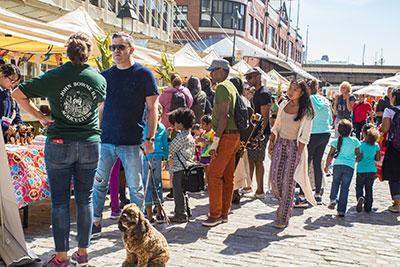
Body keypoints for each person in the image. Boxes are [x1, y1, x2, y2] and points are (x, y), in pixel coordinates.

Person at [13, 32, 106, 266]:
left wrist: (40, 117)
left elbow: (17, 94)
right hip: (89, 142)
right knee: (85, 200)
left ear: (67, 51)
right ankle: (83, 253)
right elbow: (98, 106)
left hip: (59, 143)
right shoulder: (99, 79)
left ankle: (62, 257)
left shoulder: (54, 75)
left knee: (60, 202)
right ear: (88, 53)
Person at [92, 32, 159, 238]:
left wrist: (150, 138)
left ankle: (137, 228)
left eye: (120, 47)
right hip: (106, 141)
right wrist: (96, 133)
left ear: (131, 49)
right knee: (99, 183)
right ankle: (95, 222)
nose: (115, 51)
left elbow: (153, 108)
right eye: (113, 47)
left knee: (135, 188)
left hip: (132, 141)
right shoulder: (105, 75)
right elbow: (101, 108)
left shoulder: (144, 74)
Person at [268, 80, 315, 228]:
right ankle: (284, 203)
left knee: (289, 182)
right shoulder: (283, 104)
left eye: (295, 89)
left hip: (294, 147)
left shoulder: (306, 111)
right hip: (279, 144)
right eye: (290, 88)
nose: (291, 91)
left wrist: (299, 155)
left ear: (301, 93)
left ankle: (283, 216)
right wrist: (271, 141)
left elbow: (305, 136)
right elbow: (277, 126)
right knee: (275, 180)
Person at [202, 59, 240, 227]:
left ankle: (215, 214)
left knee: (213, 174)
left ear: (223, 70)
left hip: (226, 136)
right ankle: (224, 213)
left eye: (213, 70)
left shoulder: (223, 87)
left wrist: (215, 141)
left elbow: (224, 115)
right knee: (227, 176)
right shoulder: (231, 86)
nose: (211, 74)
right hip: (234, 136)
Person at [297, 79, 332, 206]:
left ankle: (302, 196)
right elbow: (330, 119)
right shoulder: (325, 100)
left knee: (305, 163)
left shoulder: (308, 100)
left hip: (313, 133)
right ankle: (318, 195)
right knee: (317, 163)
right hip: (326, 133)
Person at [324, 119, 361, 217]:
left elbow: (330, 155)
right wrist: (355, 160)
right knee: (345, 188)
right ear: (351, 130)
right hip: (349, 167)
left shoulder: (336, 141)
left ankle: (333, 199)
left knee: (335, 183)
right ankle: (341, 210)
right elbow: (359, 155)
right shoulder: (355, 141)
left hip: (337, 166)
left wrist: (327, 166)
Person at [245, 67, 272, 199]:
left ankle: (260, 190)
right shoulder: (256, 93)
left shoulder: (264, 93)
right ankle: (249, 185)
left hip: (260, 132)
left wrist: (259, 134)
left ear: (258, 77)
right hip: (253, 131)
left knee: (258, 161)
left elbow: (265, 116)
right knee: (250, 159)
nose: (248, 80)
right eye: (247, 77)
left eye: (250, 77)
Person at [168, 108, 196, 223]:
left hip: (179, 168)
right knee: (183, 191)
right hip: (187, 167)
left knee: (177, 191)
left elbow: (171, 149)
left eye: (175, 122)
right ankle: (186, 211)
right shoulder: (189, 136)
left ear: (180, 123)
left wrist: (168, 137)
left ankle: (180, 214)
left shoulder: (180, 137)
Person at [142, 103, 169, 223]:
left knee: (146, 185)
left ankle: (149, 215)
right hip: (158, 159)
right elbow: (165, 146)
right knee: (158, 184)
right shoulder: (162, 128)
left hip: (146, 158)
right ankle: (159, 212)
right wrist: (166, 158)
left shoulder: (145, 127)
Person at [381, 88, 400, 213]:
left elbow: (385, 128)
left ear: (393, 97)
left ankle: (397, 203)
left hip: (394, 145)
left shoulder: (389, 110)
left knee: (393, 172)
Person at [355, 124, 380, 213]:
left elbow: (358, 158)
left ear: (364, 134)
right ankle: (368, 207)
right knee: (369, 188)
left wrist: (357, 158)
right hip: (372, 170)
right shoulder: (376, 145)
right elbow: (378, 158)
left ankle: (360, 198)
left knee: (359, 186)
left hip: (361, 169)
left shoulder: (361, 145)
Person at [0, 64, 22, 142]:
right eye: (11, 80)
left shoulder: (10, 93)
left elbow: (16, 112)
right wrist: (6, 126)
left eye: (15, 82)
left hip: (6, 136)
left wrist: (19, 125)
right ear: (2, 75)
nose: (13, 84)